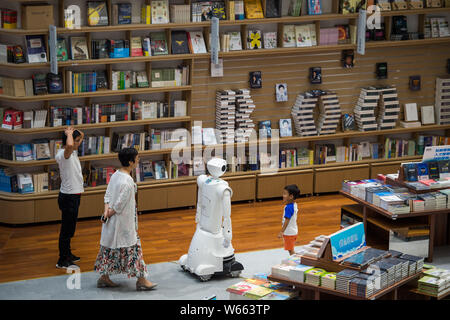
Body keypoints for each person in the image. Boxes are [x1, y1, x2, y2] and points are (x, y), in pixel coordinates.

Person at [94, 148, 157, 291]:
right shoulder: (128, 182)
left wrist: (105, 212)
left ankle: (104, 277)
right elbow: (119, 205)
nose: (138, 160)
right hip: (124, 224)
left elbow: (108, 195)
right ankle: (141, 280)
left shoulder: (115, 175)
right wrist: (109, 213)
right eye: (137, 158)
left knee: (109, 250)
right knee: (134, 250)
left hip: (112, 224)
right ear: (130, 162)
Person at [55, 126, 84, 269]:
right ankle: (62, 260)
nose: (79, 143)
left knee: (70, 228)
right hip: (68, 197)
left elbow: (79, 138)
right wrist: (69, 134)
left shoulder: (73, 153)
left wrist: (74, 132)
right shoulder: (64, 154)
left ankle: (68, 254)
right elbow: (71, 144)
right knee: (66, 230)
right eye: (77, 140)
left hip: (74, 195)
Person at [277, 184, 300, 255]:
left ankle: (295, 261)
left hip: (289, 233)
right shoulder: (294, 204)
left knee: (290, 250)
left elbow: (287, 220)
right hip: (293, 231)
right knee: (291, 249)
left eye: (285, 194)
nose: (283, 195)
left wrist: (281, 231)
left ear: (291, 196)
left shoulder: (288, 208)